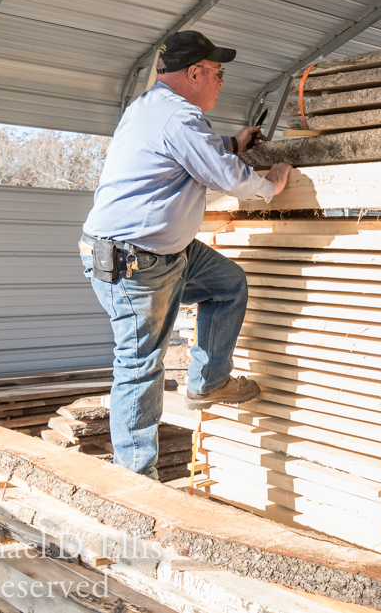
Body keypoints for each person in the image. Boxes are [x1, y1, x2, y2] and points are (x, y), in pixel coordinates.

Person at [79, 30, 291, 478]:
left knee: (227, 285)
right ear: (194, 73)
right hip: (134, 261)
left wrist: (234, 144)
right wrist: (271, 185)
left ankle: (209, 381)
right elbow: (228, 179)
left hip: (162, 252)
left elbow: (193, 154)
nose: (220, 82)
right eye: (218, 73)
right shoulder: (178, 118)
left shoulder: (150, 109)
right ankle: (136, 481)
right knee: (139, 366)